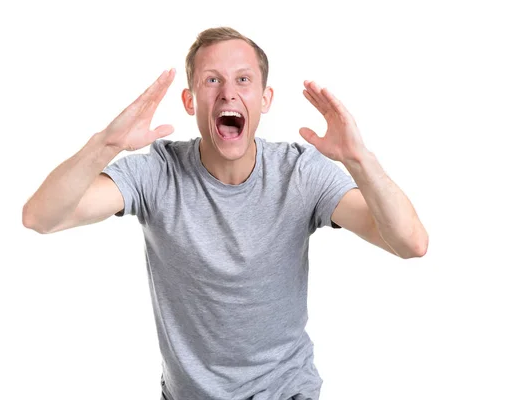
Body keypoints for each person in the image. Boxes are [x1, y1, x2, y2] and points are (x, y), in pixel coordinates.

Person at [22, 26, 428, 400]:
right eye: (212, 80)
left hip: (285, 391)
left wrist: (359, 159)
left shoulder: (299, 173)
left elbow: (410, 242)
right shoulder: (156, 172)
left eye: (243, 80)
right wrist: (106, 145)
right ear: (190, 100)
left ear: (265, 99)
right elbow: (41, 217)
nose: (228, 93)